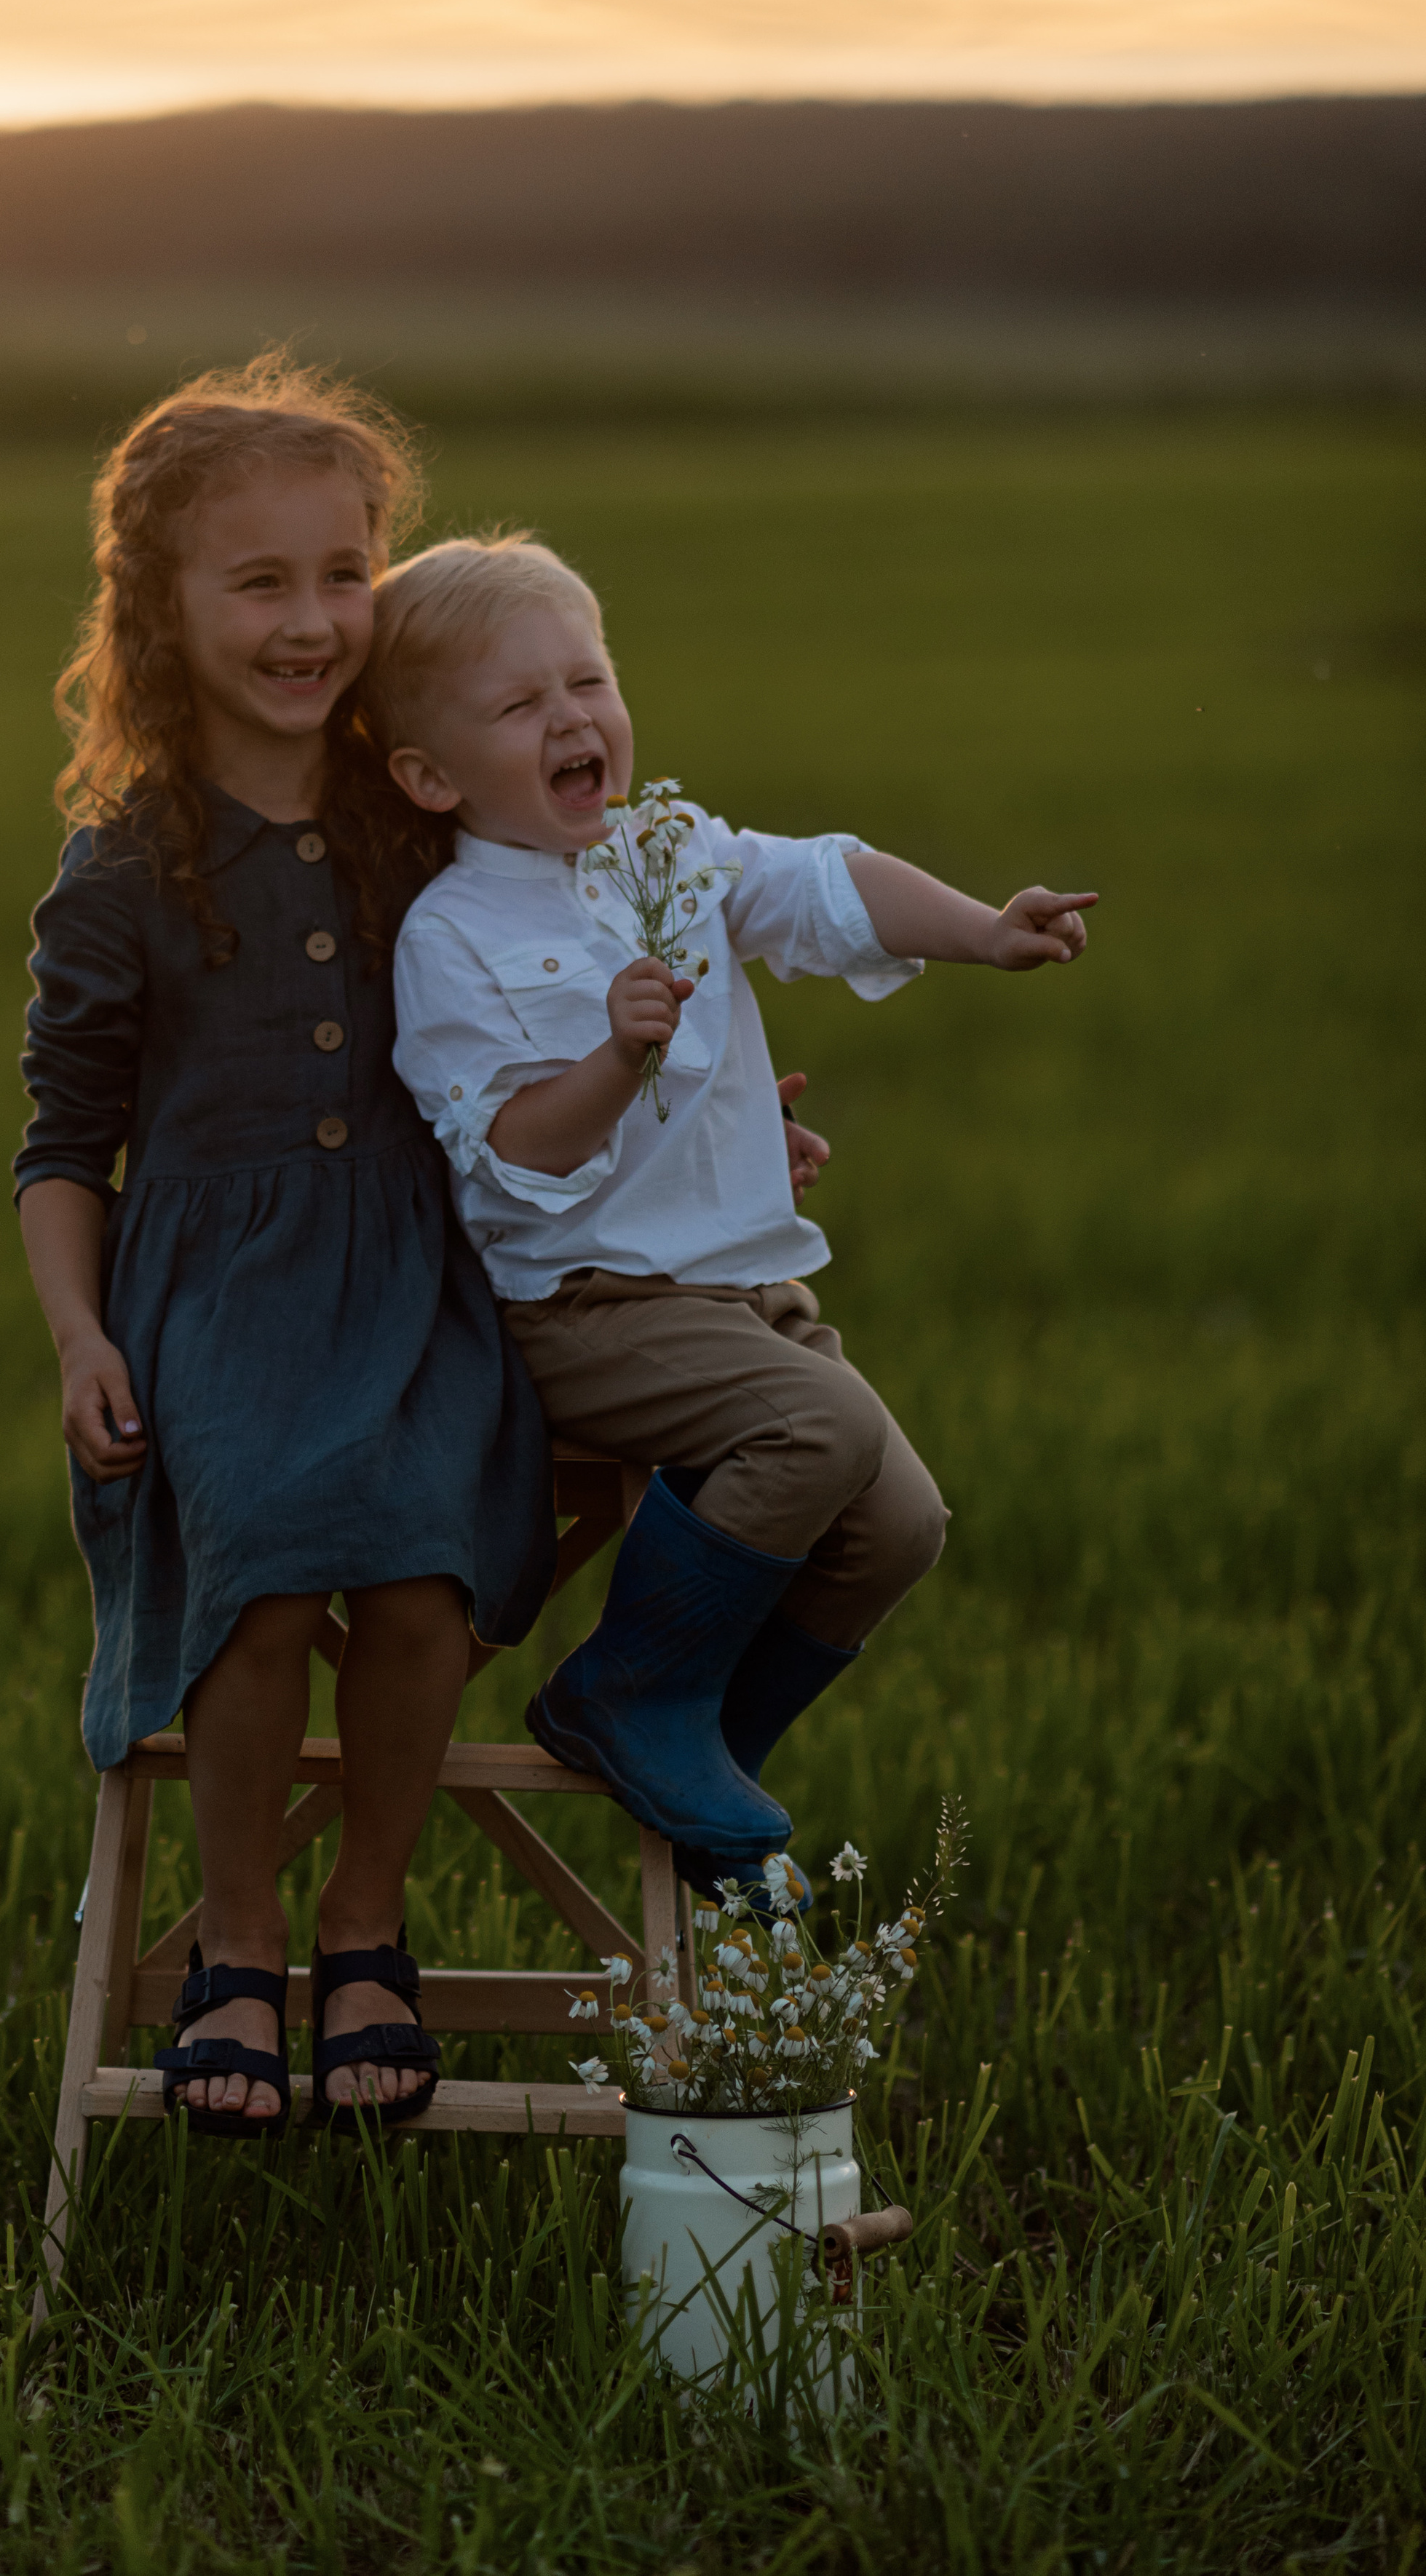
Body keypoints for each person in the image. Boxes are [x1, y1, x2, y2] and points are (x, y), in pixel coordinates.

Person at [368, 534, 1096, 1899]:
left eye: (587, 678)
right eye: (521, 707)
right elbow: (511, 1152)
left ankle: (700, 1745)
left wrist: (982, 931)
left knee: (901, 1524)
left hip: (743, 1288)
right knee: (816, 1428)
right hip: (587, 1305)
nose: (572, 716)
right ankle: (626, 1688)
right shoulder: (452, 933)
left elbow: (823, 881)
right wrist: (617, 1060)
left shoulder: (667, 847)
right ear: (430, 775)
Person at [13, 367, 557, 2136]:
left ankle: (364, 1919)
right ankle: (236, 1942)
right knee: (252, 1585)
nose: (313, 620)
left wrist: (701, 1113)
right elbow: (60, 1144)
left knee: (414, 1582)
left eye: (346, 572)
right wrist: (80, 1339)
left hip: (412, 1277)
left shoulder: (431, 822)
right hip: (216, 1298)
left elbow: (552, 1007)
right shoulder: (122, 873)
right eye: (259, 583)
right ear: (159, 611)